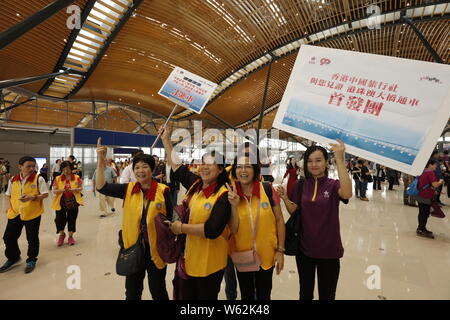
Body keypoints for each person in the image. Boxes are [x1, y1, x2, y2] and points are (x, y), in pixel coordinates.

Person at [160, 125, 231, 300]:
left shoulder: (224, 195)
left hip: (210, 264)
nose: (204, 168)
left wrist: (181, 228)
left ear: (221, 169)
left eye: (210, 164)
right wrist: (166, 140)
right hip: (188, 258)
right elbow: (178, 167)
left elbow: (212, 230)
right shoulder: (196, 184)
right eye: (202, 163)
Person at [95, 138, 172, 300]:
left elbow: (170, 221)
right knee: (132, 292)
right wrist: (100, 161)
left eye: (145, 167)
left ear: (152, 169)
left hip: (156, 250)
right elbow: (102, 187)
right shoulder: (128, 189)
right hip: (133, 249)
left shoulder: (164, 191)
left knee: (158, 291)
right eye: (137, 167)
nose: (140, 170)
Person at [276, 140, 352, 300]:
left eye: (318, 160)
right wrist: (284, 198)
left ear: (326, 162)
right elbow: (295, 211)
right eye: (310, 161)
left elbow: (346, 193)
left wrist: (339, 158)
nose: (313, 164)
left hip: (329, 251)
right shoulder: (300, 184)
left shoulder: (332, 185)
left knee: (327, 295)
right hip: (304, 250)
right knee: (305, 293)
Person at [226, 153, 285, 300]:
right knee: (246, 296)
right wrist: (233, 206)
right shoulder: (231, 194)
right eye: (239, 167)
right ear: (234, 171)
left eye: (248, 166)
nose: (243, 170)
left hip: (266, 255)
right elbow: (233, 229)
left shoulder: (267, 189)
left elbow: (279, 220)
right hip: (242, 255)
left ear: (255, 169)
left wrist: (280, 251)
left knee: (264, 295)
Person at [0, 156, 49, 274]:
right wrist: (8, 206)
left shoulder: (38, 179)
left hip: (32, 213)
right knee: (8, 237)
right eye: (29, 166)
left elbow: (45, 194)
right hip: (15, 213)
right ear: (20, 167)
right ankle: (13, 257)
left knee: (32, 238)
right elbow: (7, 194)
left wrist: (33, 197)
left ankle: (31, 259)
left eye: (33, 166)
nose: (32, 168)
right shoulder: (13, 180)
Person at [51, 161, 83, 246]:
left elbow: (80, 188)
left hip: (73, 201)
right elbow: (54, 190)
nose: (66, 171)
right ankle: (62, 234)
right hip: (60, 202)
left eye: (68, 169)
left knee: (72, 219)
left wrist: (75, 190)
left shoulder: (76, 177)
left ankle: (70, 237)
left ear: (71, 169)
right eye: (64, 169)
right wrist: (61, 190)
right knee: (59, 220)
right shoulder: (58, 178)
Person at [416, 159, 444, 239]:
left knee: (422, 212)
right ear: (430, 165)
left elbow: (425, 183)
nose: (436, 166)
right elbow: (435, 184)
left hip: (420, 194)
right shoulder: (430, 172)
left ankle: (421, 228)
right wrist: (440, 182)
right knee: (424, 213)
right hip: (425, 196)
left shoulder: (423, 171)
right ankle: (421, 229)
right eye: (435, 164)